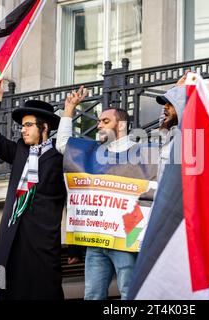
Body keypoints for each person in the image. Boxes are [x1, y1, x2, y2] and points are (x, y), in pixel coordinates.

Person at [0, 78, 66, 300]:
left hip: (42, 238)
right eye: (22, 126)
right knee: (4, 287)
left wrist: (75, 247)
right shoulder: (19, 150)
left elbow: (75, 198)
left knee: (43, 290)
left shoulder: (60, 158)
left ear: (45, 127)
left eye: (29, 125)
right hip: (12, 232)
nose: (23, 130)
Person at [56, 88, 138, 300]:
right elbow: (63, 145)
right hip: (96, 242)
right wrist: (69, 109)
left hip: (125, 240)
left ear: (120, 125)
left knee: (130, 292)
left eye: (105, 121)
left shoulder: (142, 154)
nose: (99, 125)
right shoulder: (92, 151)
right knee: (92, 295)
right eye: (99, 121)